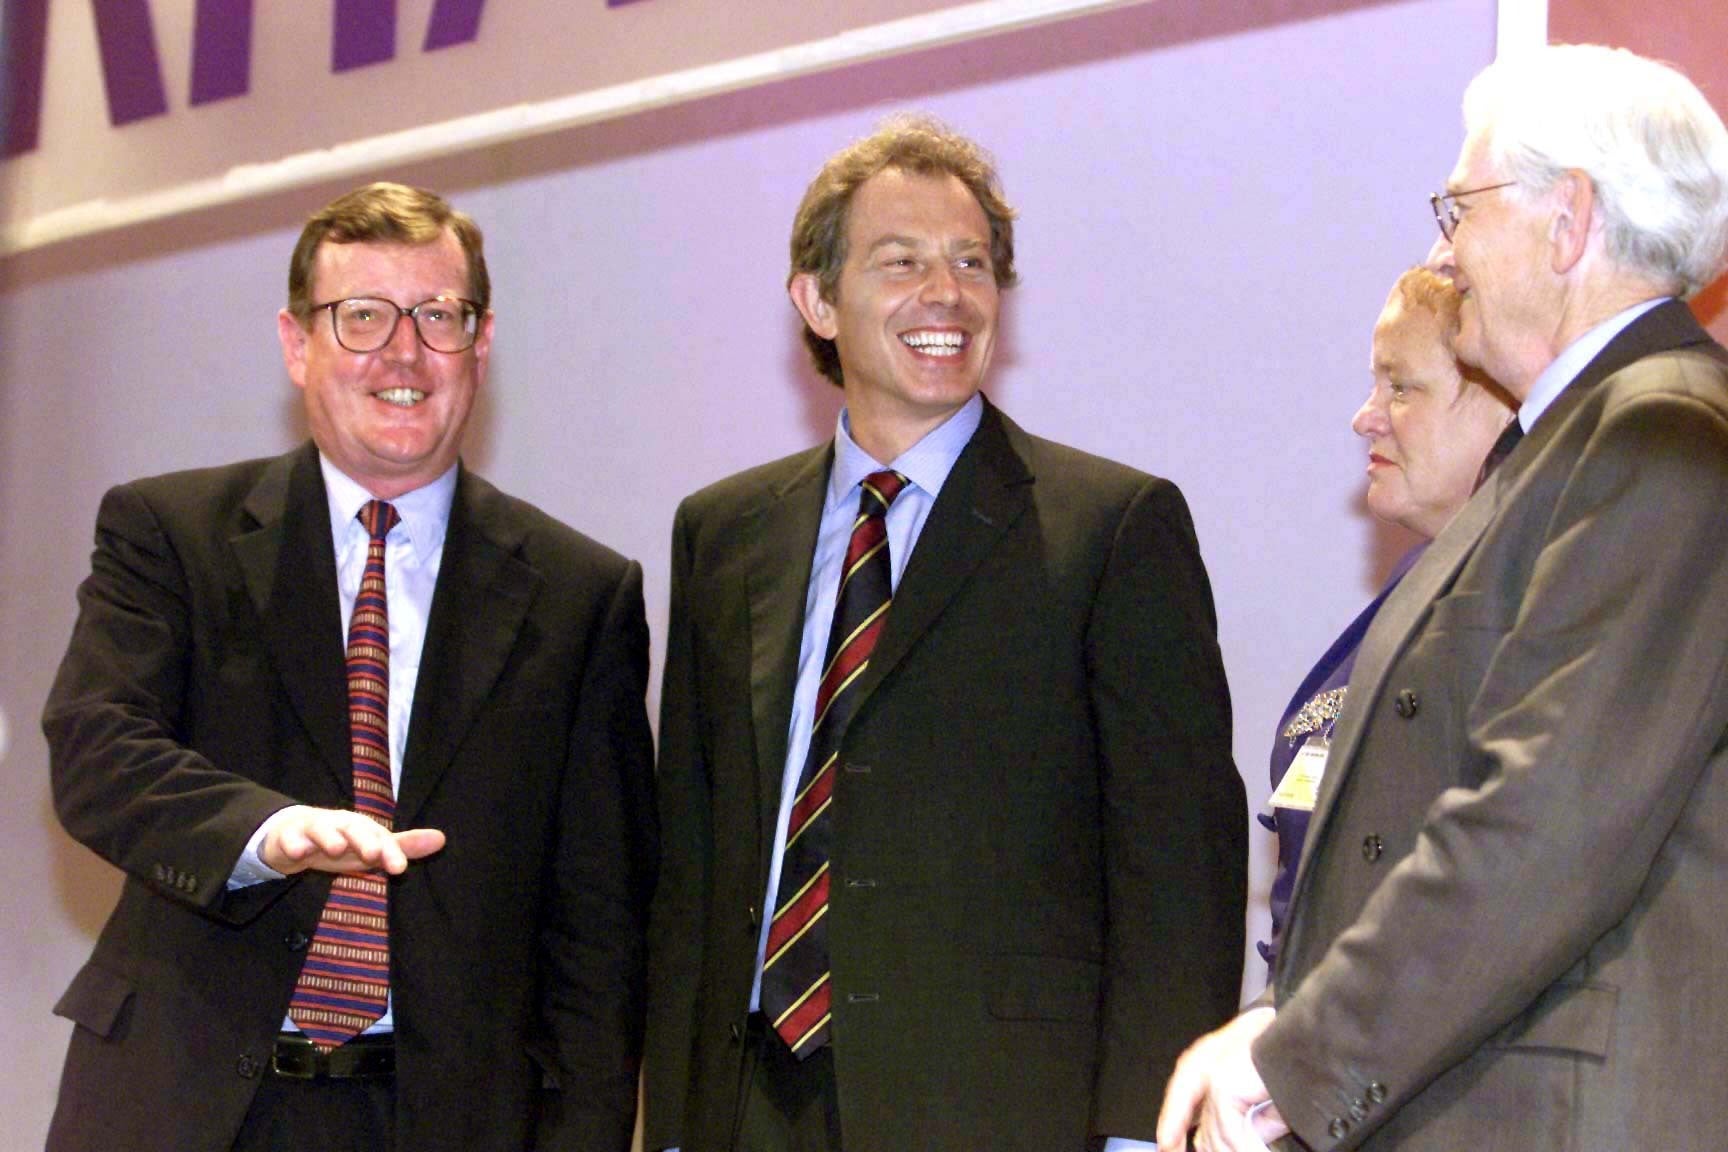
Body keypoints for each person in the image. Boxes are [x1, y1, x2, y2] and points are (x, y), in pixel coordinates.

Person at [1159, 43, 1728, 1152]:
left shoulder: (1658, 437)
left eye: (1458, 209)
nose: (1440, 250)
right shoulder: (1574, 445)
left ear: (1567, 222)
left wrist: (1297, 1058)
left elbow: (1544, 822)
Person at [644, 115, 1246, 1152]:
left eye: (973, 263)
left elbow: (1177, 868)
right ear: (817, 300)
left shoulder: (1111, 527)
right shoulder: (723, 533)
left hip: (999, 1111)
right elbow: (694, 862)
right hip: (750, 1106)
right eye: (902, 261)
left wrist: (1142, 1133)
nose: (949, 294)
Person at [42, 182, 657, 1152]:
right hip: (183, 1103)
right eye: (362, 317)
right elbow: (97, 754)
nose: (403, 353)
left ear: (481, 345)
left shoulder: (583, 595)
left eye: (437, 317)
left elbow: (600, 935)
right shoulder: (170, 536)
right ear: (297, 345)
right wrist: (269, 832)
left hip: (445, 1119)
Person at [1260, 267, 1514, 972]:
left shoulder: (1525, 608)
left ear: (1505, 408)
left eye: (1401, 387)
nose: (1365, 415)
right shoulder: (1416, 581)